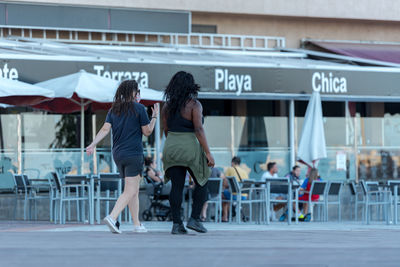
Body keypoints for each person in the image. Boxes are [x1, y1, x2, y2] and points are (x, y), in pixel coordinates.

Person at [86, 80, 159, 234]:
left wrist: (92, 144)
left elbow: (105, 129)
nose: (138, 94)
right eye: (137, 91)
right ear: (133, 93)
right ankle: (112, 217)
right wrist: (154, 118)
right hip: (133, 153)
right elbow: (147, 132)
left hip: (118, 154)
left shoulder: (114, 110)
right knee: (130, 190)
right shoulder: (139, 108)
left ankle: (137, 224)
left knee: (133, 190)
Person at [162, 71, 215, 235]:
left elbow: (166, 129)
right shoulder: (194, 105)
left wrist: (173, 143)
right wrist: (208, 153)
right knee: (203, 179)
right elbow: (198, 129)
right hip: (189, 145)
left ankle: (177, 224)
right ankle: (194, 219)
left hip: (171, 145)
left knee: (176, 186)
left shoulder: (166, 106)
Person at [222, 156, 248, 222]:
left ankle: (225, 217)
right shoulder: (244, 172)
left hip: (234, 195)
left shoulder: (230, 169)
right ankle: (233, 207)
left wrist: (225, 187)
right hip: (244, 196)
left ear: (232, 163)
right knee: (228, 194)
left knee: (223, 195)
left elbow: (225, 182)